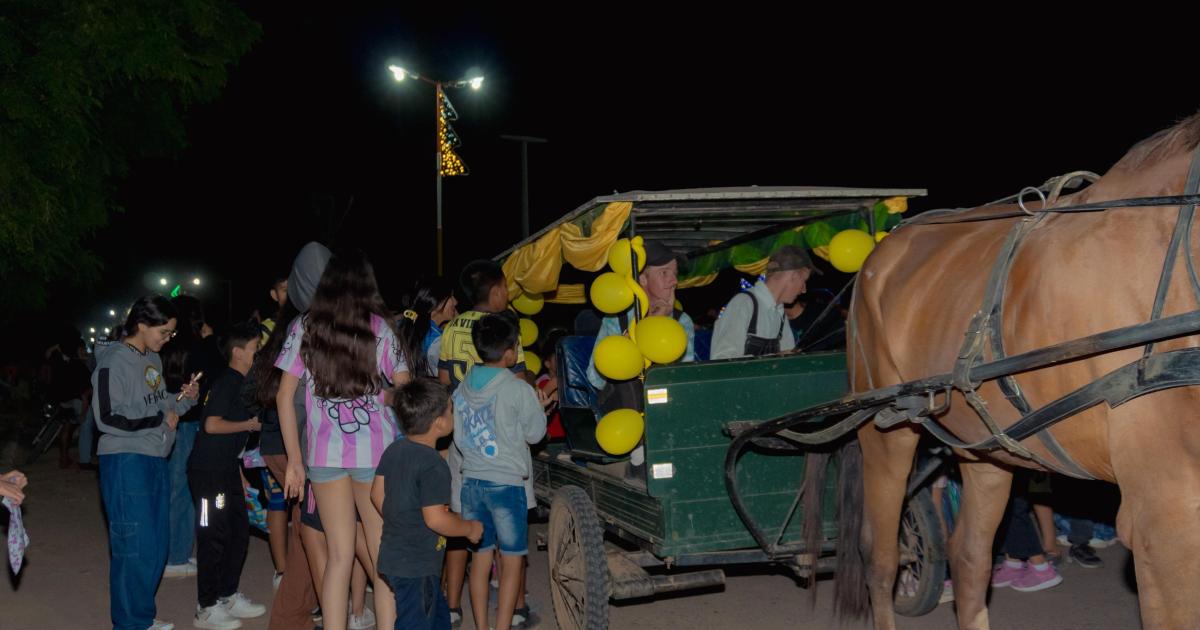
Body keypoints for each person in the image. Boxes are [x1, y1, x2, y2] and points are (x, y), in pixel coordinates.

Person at [276, 249, 414, 630]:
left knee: (338, 557)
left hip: (323, 456)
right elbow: (405, 393)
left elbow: (283, 397)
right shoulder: (383, 329)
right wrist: (378, 396)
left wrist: (294, 460)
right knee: (381, 552)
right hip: (376, 455)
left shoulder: (305, 327)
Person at [93, 296, 200, 630]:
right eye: (164, 331)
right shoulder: (113, 360)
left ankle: (141, 617)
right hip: (126, 460)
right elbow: (108, 417)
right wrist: (159, 417)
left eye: (171, 333)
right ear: (142, 324)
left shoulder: (151, 357)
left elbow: (160, 405)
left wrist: (184, 400)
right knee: (133, 546)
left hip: (154, 458)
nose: (168, 338)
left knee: (155, 544)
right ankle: (131, 623)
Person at [437, 260, 528, 627]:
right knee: (510, 537)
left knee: (466, 528)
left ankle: (455, 604)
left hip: (461, 437)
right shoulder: (503, 332)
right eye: (506, 287)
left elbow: (444, 381)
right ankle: (517, 609)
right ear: (495, 292)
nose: (509, 294)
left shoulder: (450, 330)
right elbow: (519, 381)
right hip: (502, 446)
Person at [453, 313, 548, 630]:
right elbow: (534, 435)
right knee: (510, 562)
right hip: (507, 486)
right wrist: (540, 405)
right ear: (510, 351)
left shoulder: (462, 389)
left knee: (478, 562)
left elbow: (457, 434)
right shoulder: (518, 389)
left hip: (471, 483)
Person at [257, 243, 328, 630]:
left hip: (292, 444)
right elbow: (287, 397)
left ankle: (299, 616)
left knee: (312, 537)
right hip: (295, 446)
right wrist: (298, 461)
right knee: (312, 539)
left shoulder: (294, 321)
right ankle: (293, 619)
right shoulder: (302, 324)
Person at [374, 378, 483, 630]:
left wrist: (401, 519)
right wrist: (469, 528)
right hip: (416, 566)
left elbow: (376, 494)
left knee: (437, 618)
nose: (453, 415)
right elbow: (436, 519)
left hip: (394, 556)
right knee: (416, 621)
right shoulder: (434, 465)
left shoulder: (394, 449)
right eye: (451, 410)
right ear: (439, 423)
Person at [187, 322, 269, 629]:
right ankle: (205, 608)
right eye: (254, 347)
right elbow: (212, 425)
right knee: (212, 536)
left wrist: (238, 471)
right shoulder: (228, 382)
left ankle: (227, 594)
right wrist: (249, 425)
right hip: (208, 474)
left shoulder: (239, 382)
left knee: (238, 532)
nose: (258, 352)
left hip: (226, 471)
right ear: (238, 352)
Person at [586, 240, 696, 414]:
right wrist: (635, 337)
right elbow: (595, 378)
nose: (674, 281)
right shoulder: (617, 318)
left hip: (669, 411)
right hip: (624, 414)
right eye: (664, 273)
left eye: (675, 274)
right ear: (643, 279)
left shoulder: (682, 321)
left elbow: (683, 377)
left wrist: (662, 324)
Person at [161, 295, 224, 579]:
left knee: (172, 488)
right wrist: (210, 340)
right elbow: (218, 370)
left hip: (166, 421)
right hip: (185, 423)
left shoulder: (164, 345)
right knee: (183, 490)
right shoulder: (198, 347)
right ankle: (175, 556)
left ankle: (173, 552)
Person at [710, 245, 816, 360]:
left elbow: (788, 359)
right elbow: (722, 361)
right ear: (793, 276)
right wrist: (775, 357)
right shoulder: (743, 304)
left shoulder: (779, 312)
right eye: (804, 281)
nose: (804, 290)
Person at [396, 278, 458, 377]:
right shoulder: (437, 342)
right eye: (451, 296)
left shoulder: (404, 323)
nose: (455, 302)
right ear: (437, 303)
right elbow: (446, 379)